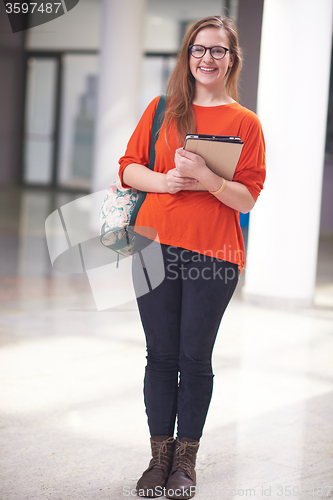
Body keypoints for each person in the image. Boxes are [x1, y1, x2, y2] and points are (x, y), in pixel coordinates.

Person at [118, 15, 266, 500]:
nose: (207, 58)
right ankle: (157, 460)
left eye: (217, 51)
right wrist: (165, 181)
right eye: (198, 49)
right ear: (188, 56)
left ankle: (185, 462)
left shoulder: (246, 123)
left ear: (231, 59)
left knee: (194, 357)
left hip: (215, 254)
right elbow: (127, 168)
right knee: (159, 356)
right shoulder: (162, 110)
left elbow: (247, 198)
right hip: (153, 247)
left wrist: (206, 177)